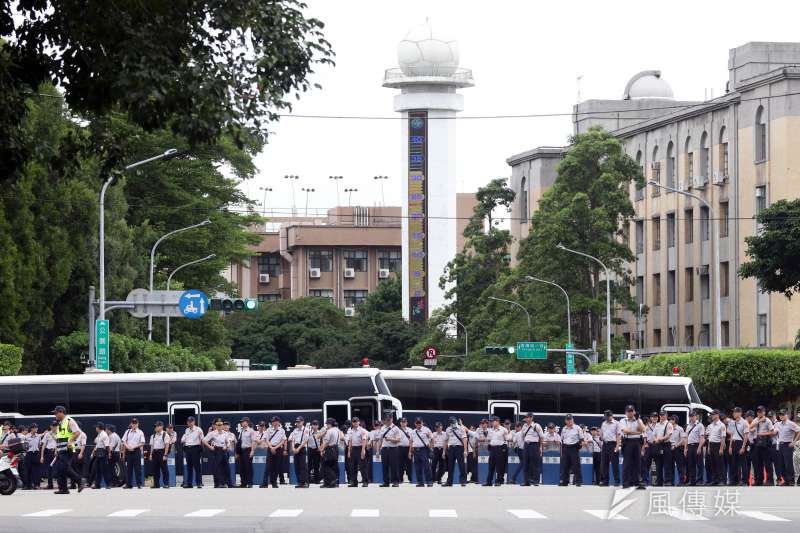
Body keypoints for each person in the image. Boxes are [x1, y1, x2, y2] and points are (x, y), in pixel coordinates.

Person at [51, 405, 85, 494]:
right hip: (60, 449)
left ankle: (79, 480)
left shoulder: (69, 420)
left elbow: (77, 432)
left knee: (64, 468)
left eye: (56, 413)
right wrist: (56, 450)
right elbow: (60, 437)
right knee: (59, 469)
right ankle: (63, 489)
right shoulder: (61, 423)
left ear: (61, 412)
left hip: (68, 448)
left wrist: (70, 441)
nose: (55, 415)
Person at [620, 405, 646, 490]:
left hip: (637, 442)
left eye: (632, 411)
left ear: (634, 412)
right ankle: (625, 482)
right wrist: (637, 433)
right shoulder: (623, 420)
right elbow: (626, 431)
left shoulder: (638, 420)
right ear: (625, 412)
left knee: (638, 463)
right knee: (627, 463)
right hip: (627, 442)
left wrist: (638, 419)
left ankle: (637, 482)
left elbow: (643, 429)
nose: (630, 413)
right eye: (628, 411)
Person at [749, 406, 774, 486]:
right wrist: (759, 421)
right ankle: (759, 480)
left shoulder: (768, 421)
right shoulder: (756, 420)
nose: (759, 413)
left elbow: (772, 432)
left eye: (761, 411)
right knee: (757, 463)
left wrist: (761, 434)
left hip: (765, 442)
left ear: (764, 412)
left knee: (767, 463)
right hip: (757, 443)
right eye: (758, 411)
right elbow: (750, 427)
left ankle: (770, 480)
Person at [482, 416, 510, 486]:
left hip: (500, 449)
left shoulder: (503, 430)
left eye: (492, 421)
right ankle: (489, 482)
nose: (491, 423)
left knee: (499, 466)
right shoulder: (490, 430)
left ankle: (499, 481)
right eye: (491, 421)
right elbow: (489, 438)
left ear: (497, 421)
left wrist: (506, 436)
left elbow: (508, 438)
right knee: (491, 466)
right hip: (492, 449)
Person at [774, 409, 799, 486]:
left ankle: (791, 480)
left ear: (786, 415)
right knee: (781, 464)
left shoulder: (790, 423)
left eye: (783, 414)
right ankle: (786, 480)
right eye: (780, 415)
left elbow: (799, 430)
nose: (781, 416)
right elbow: (774, 431)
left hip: (788, 444)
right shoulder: (778, 424)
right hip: (780, 445)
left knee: (788, 463)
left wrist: (794, 442)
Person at [377, 412, 402, 487]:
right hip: (384, 449)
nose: (388, 421)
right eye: (386, 419)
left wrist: (390, 439)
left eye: (389, 419)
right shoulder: (382, 428)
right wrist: (378, 450)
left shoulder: (396, 428)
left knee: (394, 466)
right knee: (385, 466)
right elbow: (380, 440)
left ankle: (395, 481)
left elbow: (398, 440)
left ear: (392, 419)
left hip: (393, 449)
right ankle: (386, 482)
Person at [202, 418, 228, 488]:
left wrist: (226, 446)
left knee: (224, 468)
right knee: (217, 468)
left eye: (221, 425)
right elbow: (204, 441)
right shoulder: (212, 433)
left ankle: (223, 483)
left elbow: (227, 442)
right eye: (218, 425)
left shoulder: (225, 433)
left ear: (222, 425)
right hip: (216, 451)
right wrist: (210, 447)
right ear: (215, 426)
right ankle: (217, 483)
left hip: (223, 450)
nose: (219, 426)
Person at [559, 414, 584, 487]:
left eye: (570, 419)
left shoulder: (577, 428)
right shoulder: (564, 429)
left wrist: (578, 447)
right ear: (565, 421)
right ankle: (564, 481)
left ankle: (578, 481)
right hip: (566, 447)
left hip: (574, 447)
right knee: (565, 466)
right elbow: (562, 439)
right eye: (568, 419)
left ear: (573, 420)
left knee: (576, 466)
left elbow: (581, 439)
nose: (569, 421)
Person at [520, 412, 544, 487]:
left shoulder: (536, 426)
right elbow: (522, 436)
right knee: (526, 464)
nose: (526, 419)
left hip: (534, 445)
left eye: (527, 418)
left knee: (535, 464)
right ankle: (526, 481)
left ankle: (536, 481)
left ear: (531, 418)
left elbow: (541, 437)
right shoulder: (524, 426)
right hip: (526, 445)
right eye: (526, 418)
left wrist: (540, 447)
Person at [443, 416, 468, 487]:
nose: (452, 424)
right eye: (451, 422)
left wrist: (465, 450)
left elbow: (464, 439)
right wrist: (444, 452)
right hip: (451, 449)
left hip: (459, 448)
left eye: (453, 422)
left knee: (461, 465)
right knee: (450, 466)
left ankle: (463, 481)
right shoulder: (448, 429)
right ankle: (449, 482)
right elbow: (445, 440)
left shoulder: (461, 428)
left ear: (456, 421)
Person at [727, 407, 749, 486]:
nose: (733, 414)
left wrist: (743, 447)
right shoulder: (733, 422)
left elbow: (746, 436)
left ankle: (744, 480)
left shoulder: (744, 422)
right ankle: (734, 480)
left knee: (742, 463)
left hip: (741, 443)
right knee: (734, 463)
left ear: (740, 413)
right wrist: (730, 446)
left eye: (735, 412)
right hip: (733, 443)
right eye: (733, 412)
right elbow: (732, 434)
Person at [262, 416, 286, 488]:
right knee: (267, 467)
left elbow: (283, 440)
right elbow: (266, 439)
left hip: (278, 449)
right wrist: (271, 447)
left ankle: (274, 483)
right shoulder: (269, 430)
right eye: (273, 421)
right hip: (270, 448)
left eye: (275, 421)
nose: (274, 423)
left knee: (276, 467)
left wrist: (275, 447)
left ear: (278, 422)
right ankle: (264, 483)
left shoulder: (282, 430)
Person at [599, 410, 621, 487]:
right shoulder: (603, 423)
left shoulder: (617, 423)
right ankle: (605, 481)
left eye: (607, 416)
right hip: (605, 445)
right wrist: (601, 437)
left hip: (613, 444)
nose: (606, 418)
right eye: (605, 417)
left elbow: (618, 435)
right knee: (604, 464)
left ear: (610, 416)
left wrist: (617, 446)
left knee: (615, 464)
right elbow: (601, 434)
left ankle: (617, 481)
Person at [180, 416, 204, 488]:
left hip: (195, 448)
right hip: (188, 449)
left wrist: (200, 449)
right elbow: (184, 440)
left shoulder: (198, 429)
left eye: (191, 421)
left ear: (194, 422)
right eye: (188, 421)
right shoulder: (186, 430)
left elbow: (202, 439)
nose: (189, 423)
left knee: (197, 467)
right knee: (189, 467)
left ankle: (199, 483)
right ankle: (189, 483)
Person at [345, 417, 368, 487]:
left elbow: (364, 440)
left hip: (360, 448)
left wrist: (363, 450)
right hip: (353, 449)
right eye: (354, 422)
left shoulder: (362, 430)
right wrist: (349, 451)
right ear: (352, 423)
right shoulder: (351, 431)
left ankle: (365, 482)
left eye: (356, 421)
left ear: (359, 422)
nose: (355, 423)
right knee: (352, 467)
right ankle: (354, 482)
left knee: (362, 466)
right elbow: (350, 441)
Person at [705, 409, 726, 486]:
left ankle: (721, 480)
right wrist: (709, 447)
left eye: (713, 414)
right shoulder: (710, 426)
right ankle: (715, 480)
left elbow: (722, 438)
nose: (711, 416)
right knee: (713, 464)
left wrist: (721, 448)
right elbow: (710, 437)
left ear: (717, 415)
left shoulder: (721, 425)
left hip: (718, 445)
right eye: (711, 414)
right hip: (711, 445)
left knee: (719, 464)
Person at [410, 417, 433, 487]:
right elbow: (411, 441)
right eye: (417, 423)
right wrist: (410, 451)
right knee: (417, 467)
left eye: (419, 423)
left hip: (424, 450)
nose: (418, 424)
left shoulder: (426, 430)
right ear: (415, 423)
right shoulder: (413, 431)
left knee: (426, 466)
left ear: (422, 423)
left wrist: (431, 449)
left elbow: (432, 439)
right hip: (415, 450)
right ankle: (420, 482)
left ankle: (429, 481)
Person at [653, 411, 673, 486]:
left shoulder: (669, 424)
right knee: (658, 465)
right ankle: (659, 482)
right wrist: (655, 440)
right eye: (660, 415)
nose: (661, 417)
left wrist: (660, 439)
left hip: (666, 445)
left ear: (666, 416)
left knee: (667, 464)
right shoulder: (657, 424)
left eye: (663, 415)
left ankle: (667, 481)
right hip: (658, 445)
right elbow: (654, 434)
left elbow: (668, 435)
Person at [319, 418, 341, 488]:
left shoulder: (329, 431)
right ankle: (333, 482)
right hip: (336, 448)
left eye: (327, 424)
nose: (326, 425)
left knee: (326, 465)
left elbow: (326, 442)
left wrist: (322, 449)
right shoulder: (337, 430)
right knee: (334, 465)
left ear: (330, 424)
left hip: (330, 448)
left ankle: (331, 481)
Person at [685, 410, 705, 486]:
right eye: (690, 416)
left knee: (699, 464)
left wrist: (700, 447)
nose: (692, 418)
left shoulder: (700, 425)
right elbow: (686, 438)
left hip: (697, 445)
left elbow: (702, 437)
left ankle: (700, 480)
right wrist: (685, 448)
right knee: (691, 464)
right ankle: (692, 481)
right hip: (690, 446)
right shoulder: (688, 426)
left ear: (696, 416)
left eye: (693, 416)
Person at [290, 416, 311, 488]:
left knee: (303, 466)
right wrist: (293, 448)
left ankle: (305, 482)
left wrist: (298, 448)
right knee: (297, 466)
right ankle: (300, 482)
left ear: (302, 422)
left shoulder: (306, 430)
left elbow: (305, 441)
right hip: (295, 448)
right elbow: (292, 440)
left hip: (301, 448)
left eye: (299, 422)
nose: (298, 423)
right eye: (297, 422)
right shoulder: (294, 430)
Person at [149, 421, 170, 489]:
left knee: (164, 469)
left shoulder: (165, 434)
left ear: (161, 426)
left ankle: (166, 484)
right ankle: (156, 484)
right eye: (155, 426)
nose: (155, 427)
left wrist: (165, 455)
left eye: (157, 426)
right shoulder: (153, 435)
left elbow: (167, 445)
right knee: (155, 469)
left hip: (162, 452)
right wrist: (151, 454)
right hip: (155, 453)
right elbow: (152, 446)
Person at [238, 417, 257, 488]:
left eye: (243, 422)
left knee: (248, 467)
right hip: (241, 451)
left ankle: (250, 483)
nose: (241, 423)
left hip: (248, 450)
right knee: (241, 468)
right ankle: (243, 483)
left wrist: (252, 451)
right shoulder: (241, 431)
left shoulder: (251, 431)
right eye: (241, 422)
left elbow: (254, 441)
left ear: (247, 422)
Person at [91, 422, 111, 489]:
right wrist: (94, 451)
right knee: (97, 469)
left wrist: (109, 453)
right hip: (98, 453)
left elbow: (107, 446)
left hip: (103, 453)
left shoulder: (104, 435)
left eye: (96, 427)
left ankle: (108, 484)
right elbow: (96, 442)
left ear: (99, 428)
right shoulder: (99, 434)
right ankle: (97, 485)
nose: (95, 428)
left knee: (104, 470)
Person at [22, 422, 41, 490]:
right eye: (35, 428)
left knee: (36, 470)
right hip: (29, 453)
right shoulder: (26, 436)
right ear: (32, 428)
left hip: (36, 453)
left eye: (37, 427)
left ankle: (36, 485)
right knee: (28, 469)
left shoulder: (38, 436)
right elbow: (24, 446)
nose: (36, 429)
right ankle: (28, 485)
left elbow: (39, 445)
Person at [668, 415, 686, 486]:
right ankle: (671, 482)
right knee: (670, 466)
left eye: (671, 420)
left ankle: (681, 482)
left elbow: (682, 440)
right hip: (669, 449)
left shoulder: (680, 429)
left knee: (680, 466)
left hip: (677, 449)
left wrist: (675, 446)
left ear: (674, 420)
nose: (669, 421)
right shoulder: (668, 428)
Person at [641, 411, 658, 485]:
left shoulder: (660, 426)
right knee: (646, 464)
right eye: (653, 417)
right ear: (650, 418)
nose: (654, 418)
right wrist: (644, 446)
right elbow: (644, 437)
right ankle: (645, 480)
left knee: (658, 465)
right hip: (649, 445)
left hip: (657, 446)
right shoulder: (647, 427)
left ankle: (658, 481)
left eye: (656, 417)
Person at [40, 421, 58, 489]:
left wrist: (53, 435)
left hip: (56, 452)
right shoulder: (47, 434)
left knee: (57, 468)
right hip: (48, 452)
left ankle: (60, 484)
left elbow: (59, 442)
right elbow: (44, 445)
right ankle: (50, 485)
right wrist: (42, 456)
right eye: (53, 426)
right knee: (49, 469)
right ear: (51, 426)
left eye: (56, 426)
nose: (54, 427)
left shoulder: (59, 433)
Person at [307, 420, 322, 484]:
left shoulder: (320, 433)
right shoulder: (308, 432)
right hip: (310, 449)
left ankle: (317, 480)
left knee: (316, 465)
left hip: (317, 450)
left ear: (318, 426)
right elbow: (306, 440)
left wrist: (321, 448)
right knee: (309, 465)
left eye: (316, 425)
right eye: (313, 424)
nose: (315, 426)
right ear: (311, 425)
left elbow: (322, 441)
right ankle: (307, 480)